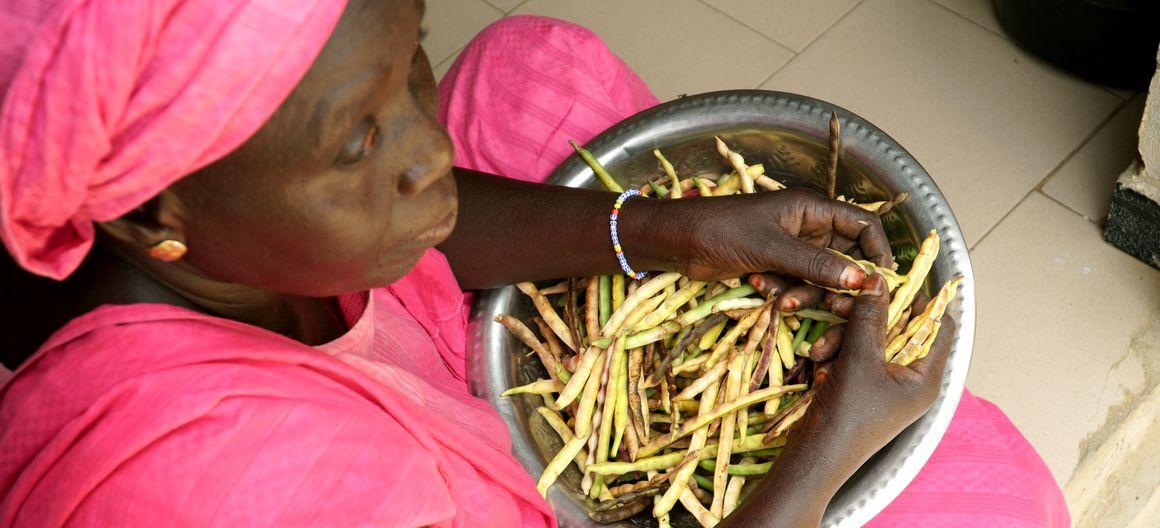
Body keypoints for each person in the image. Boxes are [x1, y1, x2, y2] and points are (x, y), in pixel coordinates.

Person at [0, 1, 1068, 526]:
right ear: (152, 214)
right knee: (992, 492)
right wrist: (820, 452)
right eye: (359, 141)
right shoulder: (213, 484)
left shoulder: (235, 236)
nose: (426, 150)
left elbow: (432, 204)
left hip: (428, 365)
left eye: (406, 59)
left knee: (522, 61)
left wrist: (665, 232)